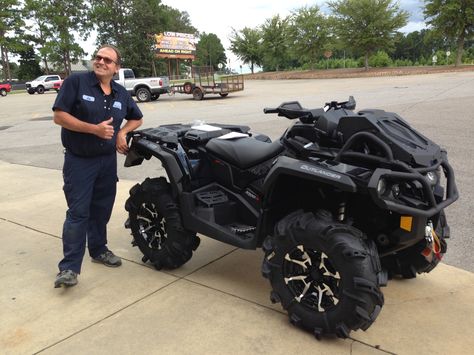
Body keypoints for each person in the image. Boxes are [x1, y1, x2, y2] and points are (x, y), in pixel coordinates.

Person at [52, 45, 143, 288]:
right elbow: (59, 116)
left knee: (101, 210)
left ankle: (99, 250)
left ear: (116, 68)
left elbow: (137, 117)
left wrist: (122, 132)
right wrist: (94, 129)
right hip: (79, 161)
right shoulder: (76, 83)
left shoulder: (121, 93)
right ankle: (69, 268)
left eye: (108, 60)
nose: (101, 62)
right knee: (78, 213)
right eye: (98, 57)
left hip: (106, 163)